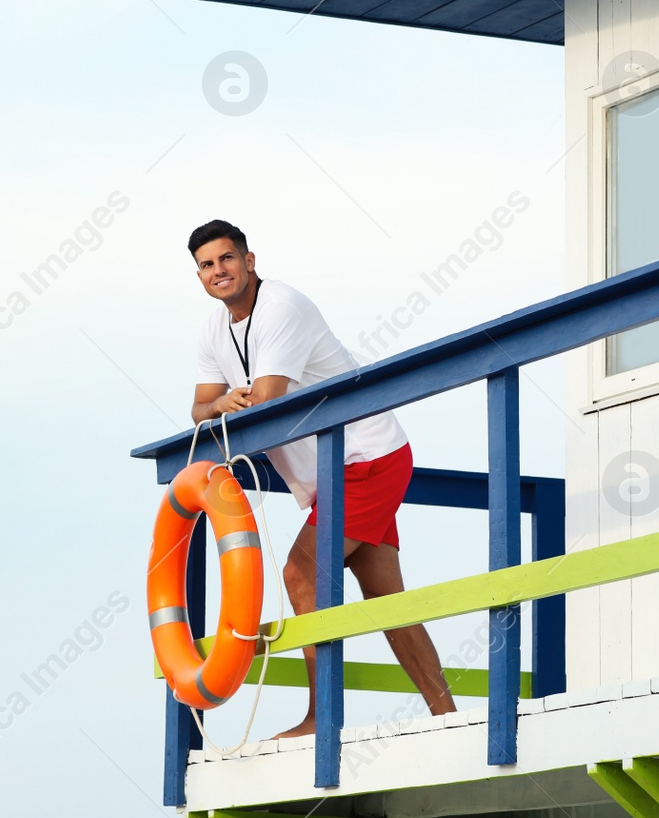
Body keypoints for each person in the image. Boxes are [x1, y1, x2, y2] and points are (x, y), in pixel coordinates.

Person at [186, 219, 456, 737]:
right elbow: (200, 408)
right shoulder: (211, 331)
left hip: (364, 456)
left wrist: (223, 405)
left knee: (299, 574)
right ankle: (448, 719)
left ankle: (320, 718)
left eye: (226, 258)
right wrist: (220, 402)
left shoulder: (282, 307)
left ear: (249, 261)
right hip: (329, 477)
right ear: (198, 276)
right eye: (206, 265)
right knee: (386, 599)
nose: (218, 271)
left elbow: (266, 400)